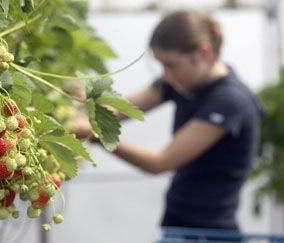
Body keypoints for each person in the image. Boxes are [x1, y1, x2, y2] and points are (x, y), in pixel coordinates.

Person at [73, 10, 263, 235]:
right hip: (177, 220)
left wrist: (96, 135)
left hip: (209, 231)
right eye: (161, 65)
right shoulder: (181, 81)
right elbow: (118, 110)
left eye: (171, 64)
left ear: (204, 52)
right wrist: (79, 102)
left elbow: (160, 162)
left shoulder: (229, 102)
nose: (166, 74)